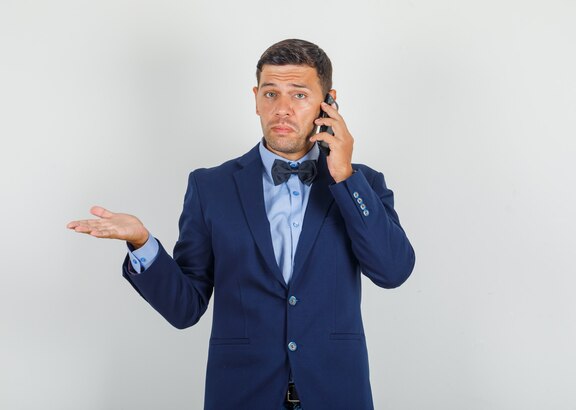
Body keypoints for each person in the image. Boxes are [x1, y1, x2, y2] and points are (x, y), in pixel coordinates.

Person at [67, 38, 415, 410]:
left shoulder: (363, 184)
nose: (281, 109)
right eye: (270, 94)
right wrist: (142, 243)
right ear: (255, 98)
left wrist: (344, 176)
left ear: (328, 102)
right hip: (241, 395)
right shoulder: (210, 187)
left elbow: (393, 271)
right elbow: (185, 309)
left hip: (337, 393)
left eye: (298, 95)